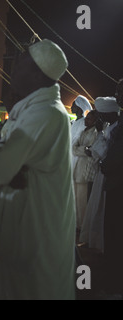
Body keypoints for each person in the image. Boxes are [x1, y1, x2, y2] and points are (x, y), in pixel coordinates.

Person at [0, 39, 75, 299]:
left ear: (38, 73)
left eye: (20, 65)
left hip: (35, 221)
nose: (13, 71)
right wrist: (4, 161)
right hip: (22, 215)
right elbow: (4, 168)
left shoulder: (46, 113)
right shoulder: (32, 110)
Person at [79, 97, 120, 253]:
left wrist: (99, 135)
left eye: (103, 114)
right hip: (102, 171)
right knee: (96, 206)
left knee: (103, 209)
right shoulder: (109, 127)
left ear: (109, 113)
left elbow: (104, 151)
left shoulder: (116, 128)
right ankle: (95, 240)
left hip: (110, 172)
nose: (101, 118)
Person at [100, 79, 123, 294]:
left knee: (115, 237)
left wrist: (103, 164)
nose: (117, 96)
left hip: (118, 186)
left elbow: (117, 155)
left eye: (120, 91)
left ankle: (114, 285)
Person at [72, 110, 98, 230]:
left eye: (89, 119)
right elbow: (73, 148)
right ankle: (77, 225)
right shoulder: (83, 131)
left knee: (83, 201)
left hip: (86, 170)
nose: (86, 120)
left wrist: (81, 149)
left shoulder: (96, 133)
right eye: (86, 118)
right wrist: (84, 150)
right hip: (77, 168)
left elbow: (92, 151)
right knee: (76, 200)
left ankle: (83, 227)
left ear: (95, 121)